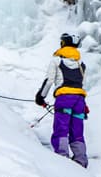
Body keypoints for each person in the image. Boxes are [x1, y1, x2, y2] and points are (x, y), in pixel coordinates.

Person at [34, 33, 90, 167]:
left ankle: (62, 159)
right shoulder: (81, 64)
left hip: (64, 99)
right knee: (77, 131)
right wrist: (84, 105)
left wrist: (40, 97)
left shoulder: (56, 61)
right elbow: (81, 85)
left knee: (61, 129)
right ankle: (81, 161)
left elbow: (49, 81)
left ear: (63, 44)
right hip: (79, 101)